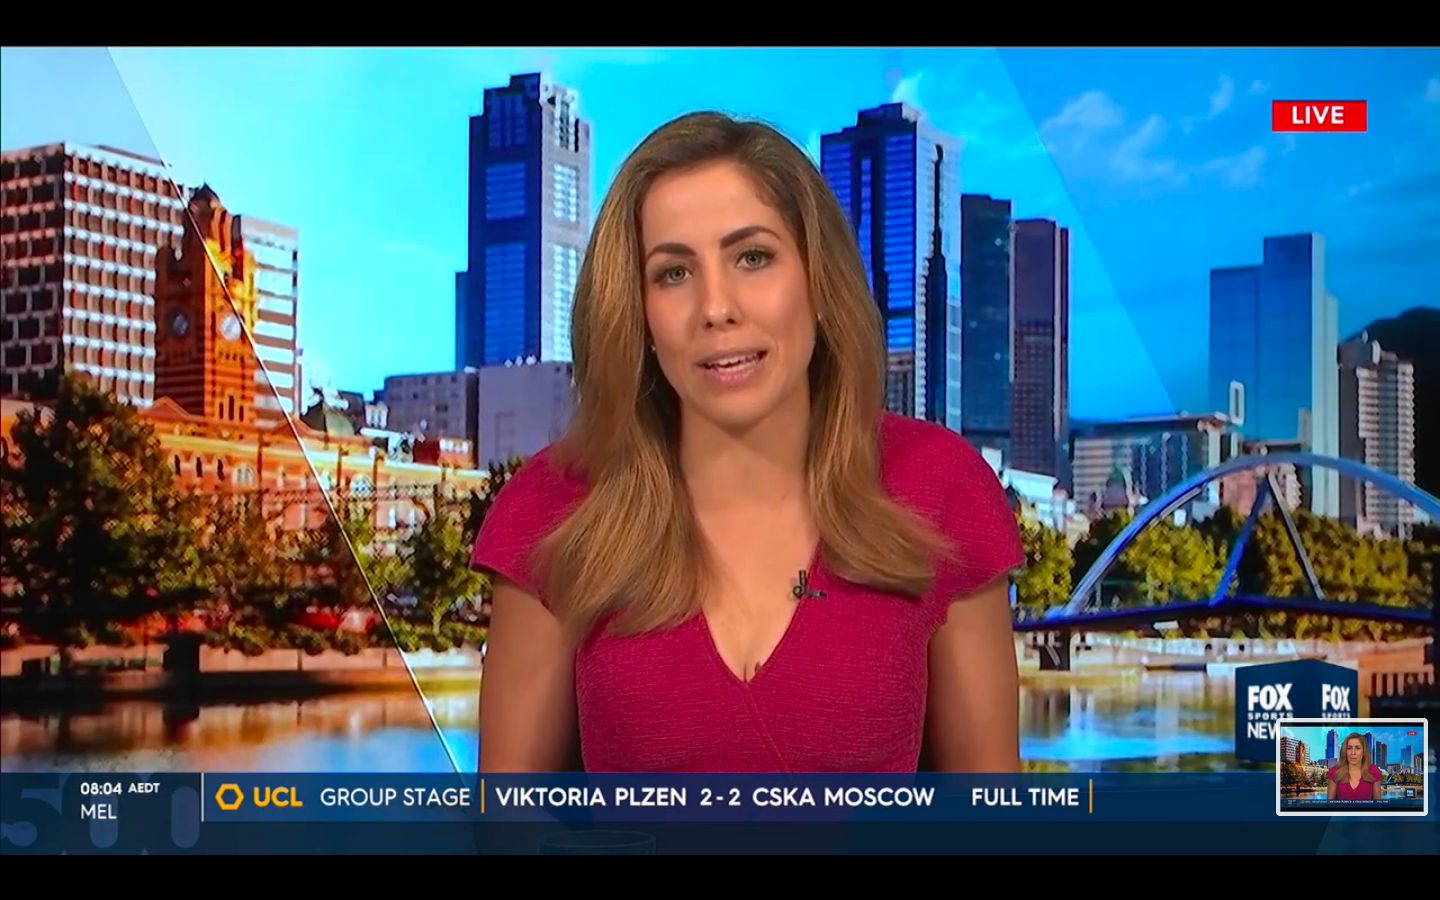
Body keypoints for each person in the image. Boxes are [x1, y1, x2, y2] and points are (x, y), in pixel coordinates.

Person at [471, 111, 1025, 774]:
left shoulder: (940, 486)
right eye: (673, 273)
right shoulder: (553, 508)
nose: (716, 308)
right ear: (638, 315)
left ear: (819, 282)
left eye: (753, 258)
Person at [1327, 733, 1384, 801]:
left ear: (1364, 752)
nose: (1353, 752)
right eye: (1349, 748)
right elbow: (1330, 805)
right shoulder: (1334, 771)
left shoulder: (1373, 770)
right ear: (1345, 751)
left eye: (1358, 748)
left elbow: (1378, 804)